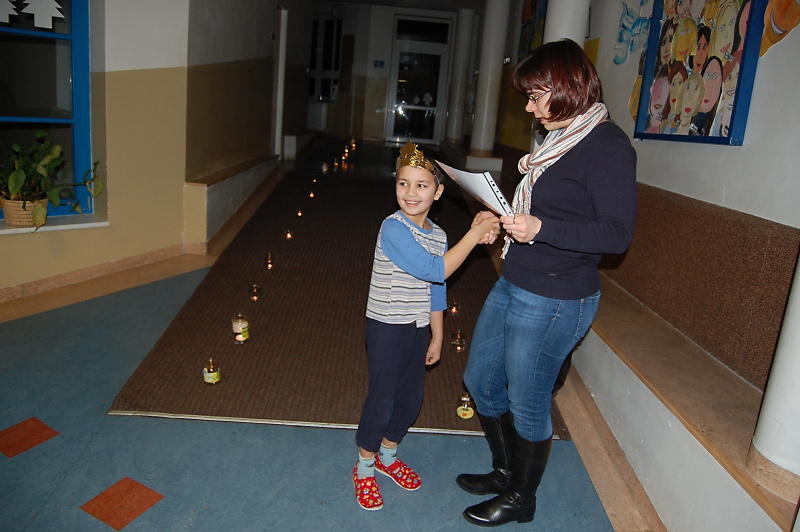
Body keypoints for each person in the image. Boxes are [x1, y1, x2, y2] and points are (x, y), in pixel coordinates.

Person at [458, 39, 637, 527]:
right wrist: (500, 217)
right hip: (517, 278)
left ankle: (521, 498)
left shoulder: (607, 145)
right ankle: (505, 471)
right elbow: (549, 205)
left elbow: (616, 234)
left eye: (536, 96)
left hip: (558, 296)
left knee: (527, 400)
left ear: (568, 87)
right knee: (480, 381)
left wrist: (540, 228)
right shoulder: (557, 141)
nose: (529, 108)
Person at [353, 140, 499, 511]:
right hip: (387, 327)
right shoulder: (393, 229)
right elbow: (435, 269)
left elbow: (436, 287)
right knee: (383, 398)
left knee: (410, 398)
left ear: (438, 192)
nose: (411, 192)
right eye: (403, 183)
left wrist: (438, 333)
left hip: (417, 328)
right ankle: (365, 466)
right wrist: (475, 235)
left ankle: (388, 456)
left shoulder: (438, 235)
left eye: (421, 185)